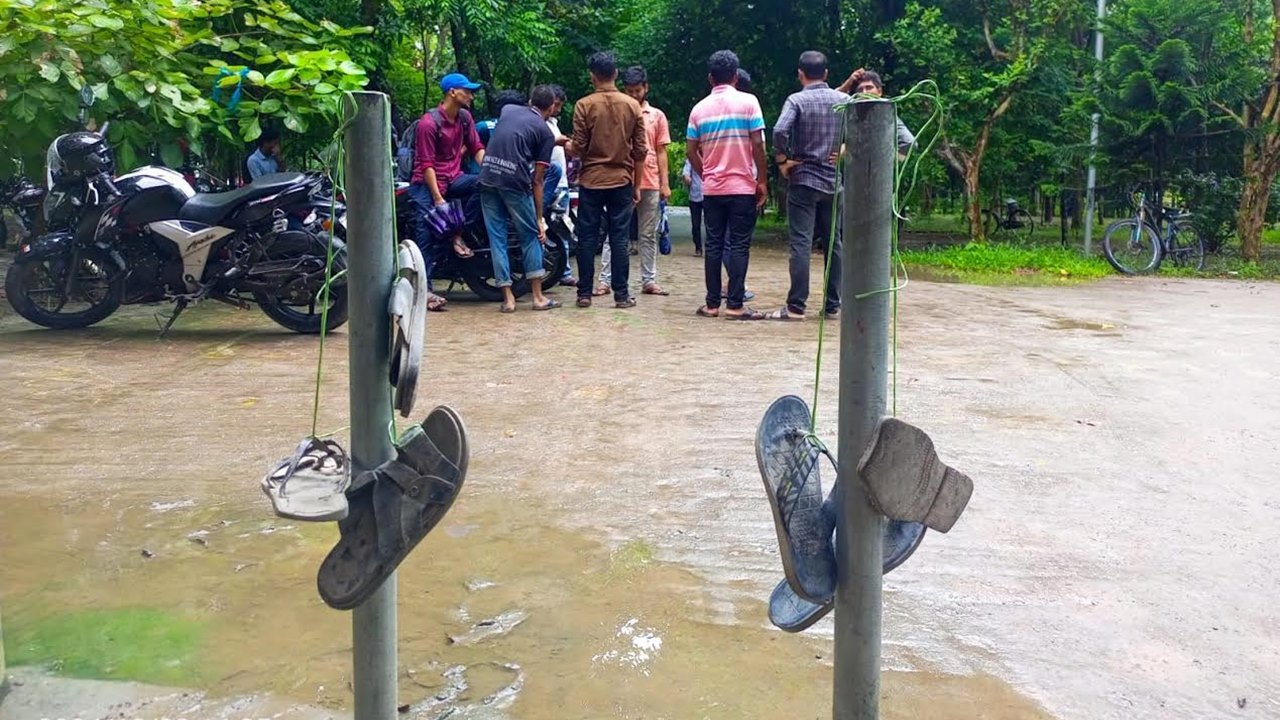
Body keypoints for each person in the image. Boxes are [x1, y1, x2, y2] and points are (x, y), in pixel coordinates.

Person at [687, 50, 768, 320]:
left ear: (711, 78)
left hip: (713, 189)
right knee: (739, 245)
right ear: (735, 76)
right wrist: (762, 180)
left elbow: (690, 151)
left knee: (714, 245)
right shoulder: (749, 103)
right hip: (743, 187)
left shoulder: (698, 109)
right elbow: (758, 144)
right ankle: (735, 305)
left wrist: (706, 173)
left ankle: (712, 305)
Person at [769, 51, 848, 322]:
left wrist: (782, 160)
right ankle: (833, 305)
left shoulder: (796, 100)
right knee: (834, 243)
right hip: (833, 182)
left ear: (800, 74)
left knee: (801, 243)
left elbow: (780, 130)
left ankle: (796, 306)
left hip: (803, 178)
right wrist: (843, 149)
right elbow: (859, 132)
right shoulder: (844, 101)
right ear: (826, 74)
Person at [565, 51, 647, 309]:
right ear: (616, 74)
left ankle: (584, 293)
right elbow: (640, 150)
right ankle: (621, 295)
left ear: (593, 77)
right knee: (619, 238)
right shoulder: (632, 106)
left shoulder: (584, 105)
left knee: (587, 237)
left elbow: (578, 147)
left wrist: (566, 145)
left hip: (591, 180)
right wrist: (637, 185)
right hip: (621, 180)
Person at [479, 85, 561, 313]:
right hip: (514, 182)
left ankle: (508, 299)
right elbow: (538, 180)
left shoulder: (508, 110)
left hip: (487, 177)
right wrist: (539, 219)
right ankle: (538, 297)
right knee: (530, 236)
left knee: (497, 239)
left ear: (530, 101)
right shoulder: (546, 133)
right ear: (551, 107)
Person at [598, 65, 671, 297]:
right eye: (629, 91)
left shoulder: (657, 116)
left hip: (650, 180)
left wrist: (665, 183)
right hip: (622, 180)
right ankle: (605, 280)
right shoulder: (617, 112)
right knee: (614, 232)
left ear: (645, 88)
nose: (633, 95)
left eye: (637, 90)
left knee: (648, 234)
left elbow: (661, 151)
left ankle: (649, 280)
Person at [409, 72, 486, 264]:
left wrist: (489, 172)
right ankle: (425, 281)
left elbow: (476, 147)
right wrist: (438, 199)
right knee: (426, 229)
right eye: (467, 92)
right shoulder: (428, 123)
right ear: (452, 92)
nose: (471, 96)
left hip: (454, 176)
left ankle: (458, 233)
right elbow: (426, 164)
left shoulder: (465, 117)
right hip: (427, 183)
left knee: (485, 184)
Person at [837, 68, 916, 156]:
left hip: (878, 163)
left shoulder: (885, 112)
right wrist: (848, 83)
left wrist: (889, 158)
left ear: (879, 91)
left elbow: (909, 142)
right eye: (860, 90)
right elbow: (830, 99)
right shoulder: (852, 110)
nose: (864, 92)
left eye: (869, 88)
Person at [547, 85, 576, 287]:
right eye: (555, 105)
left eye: (559, 105)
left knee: (561, 227)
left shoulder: (553, 124)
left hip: (561, 184)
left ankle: (563, 271)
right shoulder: (539, 124)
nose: (557, 109)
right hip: (548, 182)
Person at [681, 158, 704, 256]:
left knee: (711, 224)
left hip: (709, 195)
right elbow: (686, 172)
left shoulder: (711, 156)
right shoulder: (691, 159)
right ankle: (698, 247)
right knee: (695, 224)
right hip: (695, 195)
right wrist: (687, 178)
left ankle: (711, 248)